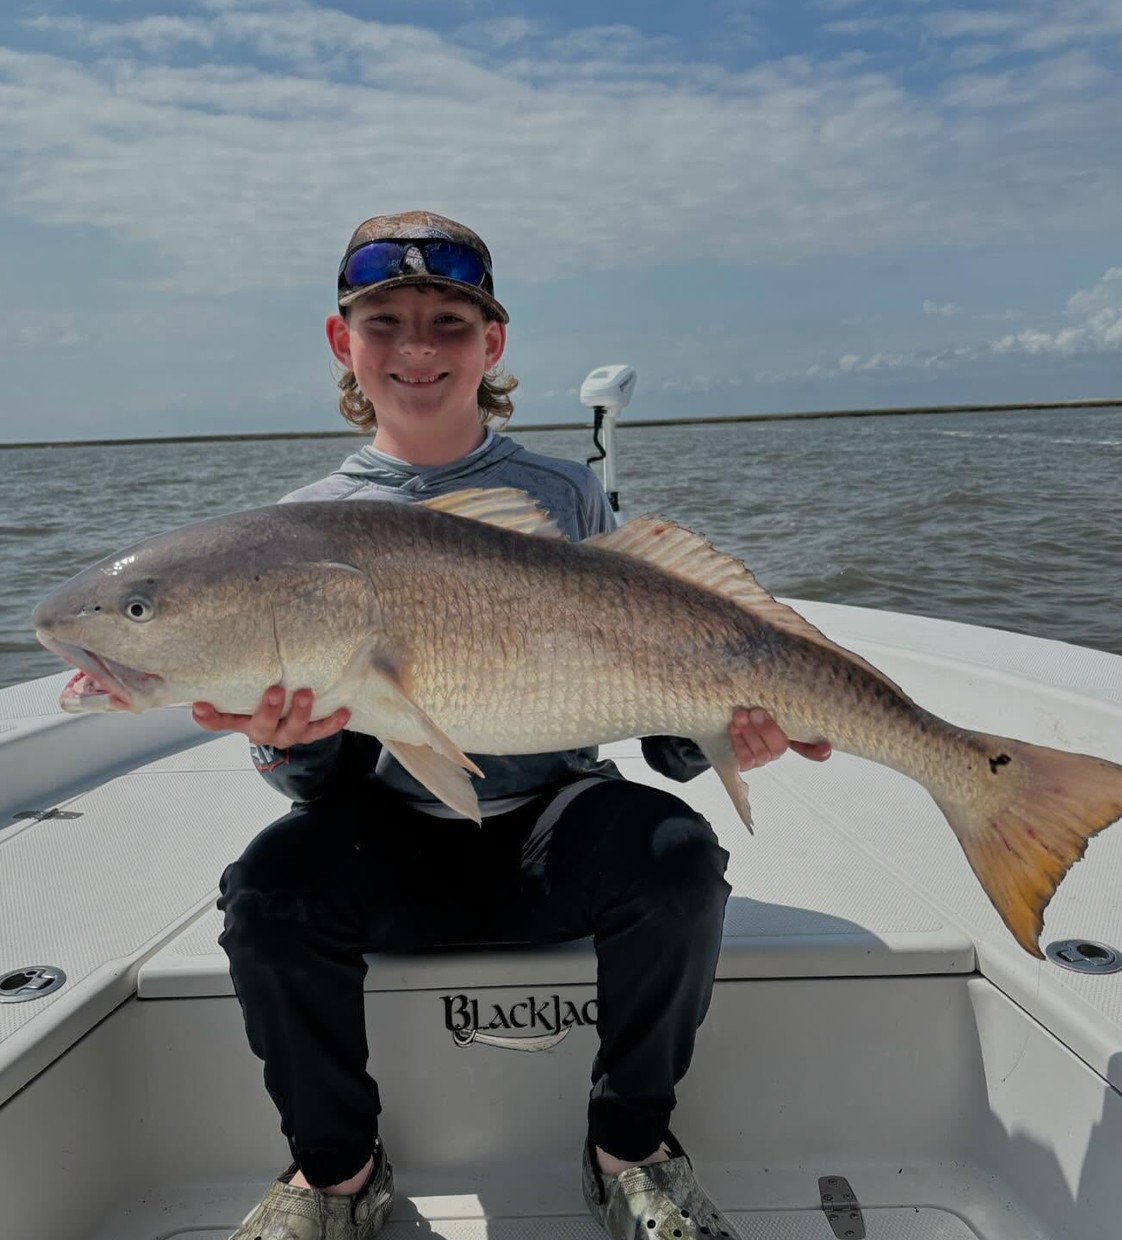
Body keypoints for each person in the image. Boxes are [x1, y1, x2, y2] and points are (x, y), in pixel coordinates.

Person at [196, 210, 831, 1240]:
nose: (415, 349)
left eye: (448, 322)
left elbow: (640, 687)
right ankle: (337, 1174)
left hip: (549, 825)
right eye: (385, 321)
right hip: (389, 832)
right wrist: (291, 740)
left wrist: (715, 734)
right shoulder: (300, 525)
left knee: (674, 854)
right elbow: (320, 784)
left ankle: (631, 1149)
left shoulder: (564, 492)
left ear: (491, 344)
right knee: (267, 889)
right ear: (340, 341)